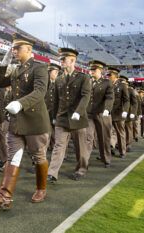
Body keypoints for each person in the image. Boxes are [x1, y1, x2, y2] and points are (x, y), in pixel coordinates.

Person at [0, 35, 50, 209]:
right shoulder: (15, 69)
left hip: (34, 121)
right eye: (13, 48)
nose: (14, 51)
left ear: (29, 49)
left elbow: (40, 92)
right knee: (12, 156)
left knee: (39, 157)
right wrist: (4, 64)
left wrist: (20, 103)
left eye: (17, 48)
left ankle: (41, 189)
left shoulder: (39, 68)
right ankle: (4, 195)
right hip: (16, 121)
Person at [46, 48, 91, 182]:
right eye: (61, 59)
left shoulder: (83, 77)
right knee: (58, 146)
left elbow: (85, 96)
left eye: (63, 59)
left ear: (72, 61)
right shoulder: (59, 79)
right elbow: (56, 100)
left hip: (77, 118)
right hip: (62, 118)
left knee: (81, 148)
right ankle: (52, 173)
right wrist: (54, 116)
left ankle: (81, 169)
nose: (61, 62)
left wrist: (78, 112)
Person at [85, 60, 114, 168]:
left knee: (103, 138)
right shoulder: (87, 81)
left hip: (102, 114)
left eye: (94, 70)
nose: (91, 72)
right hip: (89, 114)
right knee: (87, 138)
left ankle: (106, 158)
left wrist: (107, 109)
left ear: (100, 71)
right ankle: (84, 161)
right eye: (91, 70)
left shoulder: (107, 83)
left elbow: (110, 97)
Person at [108, 68, 129, 158]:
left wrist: (125, 111)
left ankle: (122, 152)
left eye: (110, 75)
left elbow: (126, 100)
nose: (108, 77)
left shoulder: (122, 85)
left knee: (120, 133)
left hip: (118, 113)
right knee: (108, 133)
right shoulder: (108, 84)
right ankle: (110, 149)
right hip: (108, 113)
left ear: (115, 75)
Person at [45, 63, 60, 151]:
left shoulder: (58, 84)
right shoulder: (45, 83)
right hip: (46, 112)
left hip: (55, 112)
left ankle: (55, 148)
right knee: (47, 132)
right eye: (54, 72)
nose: (56, 74)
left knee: (55, 133)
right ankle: (44, 149)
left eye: (57, 73)